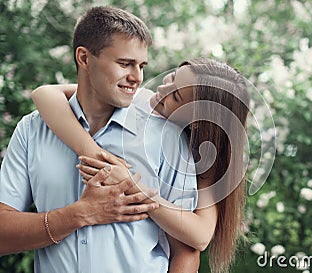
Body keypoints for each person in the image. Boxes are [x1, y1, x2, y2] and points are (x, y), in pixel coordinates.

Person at [0, 6, 199, 273]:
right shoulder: (32, 130)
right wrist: (77, 215)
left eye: (141, 66)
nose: (137, 78)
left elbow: (186, 251)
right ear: (84, 57)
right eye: (124, 63)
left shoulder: (168, 138)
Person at [31, 57, 251, 273]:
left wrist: (133, 187)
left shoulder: (203, 158)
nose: (163, 89)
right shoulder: (139, 99)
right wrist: (99, 159)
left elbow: (200, 236)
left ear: (197, 122)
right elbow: (45, 94)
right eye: (172, 77)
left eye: (175, 96)